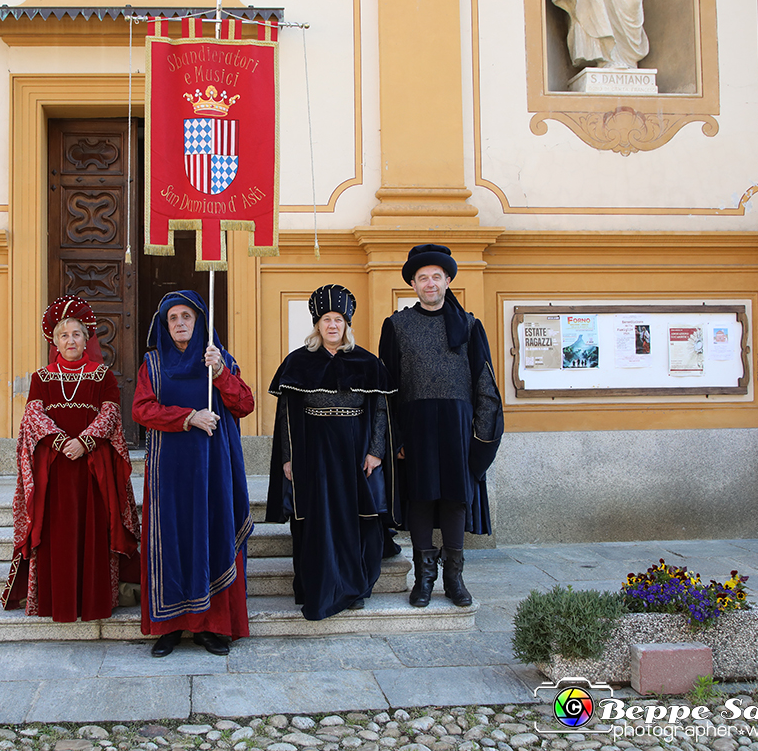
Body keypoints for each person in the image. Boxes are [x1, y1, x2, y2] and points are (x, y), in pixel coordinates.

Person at [378, 245, 504, 608]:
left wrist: (479, 437)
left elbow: (485, 384)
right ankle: (424, 577)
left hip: (457, 429)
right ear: (413, 285)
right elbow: (387, 387)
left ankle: (454, 577)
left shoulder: (469, 325)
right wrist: (395, 437)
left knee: (454, 500)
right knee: (420, 498)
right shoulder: (396, 326)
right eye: (422, 279)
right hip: (415, 426)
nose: (429, 284)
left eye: (436, 277)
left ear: (448, 281)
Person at [1, 295, 140, 621]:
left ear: (86, 338)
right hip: (55, 469)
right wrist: (63, 441)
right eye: (64, 335)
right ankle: (56, 601)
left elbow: (110, 413)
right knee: (57, 536)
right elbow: (33, 415)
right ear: (55, 341)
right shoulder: (41, 378)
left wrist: (86, 442)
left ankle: (92, 601)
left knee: (94, 533)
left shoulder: (102, 375)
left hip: (93, 471)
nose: (71, 340)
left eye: (76, 334)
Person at [132, 290, 254, 657]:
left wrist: (219, 374)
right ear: (165, 326)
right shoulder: (152, 364)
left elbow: (245, 404)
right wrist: (188, 418)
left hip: (215, 466)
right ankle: (169, 627)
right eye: (173, 318)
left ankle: (211, 627)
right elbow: (141, 410)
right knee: (172, 542)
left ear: (199, 321)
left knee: (213, 536)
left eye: (187, 316)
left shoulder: (218, 359)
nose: (180, 323)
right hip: (170, 471)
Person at [265, 285, 396, 620]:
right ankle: (316, 585)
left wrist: (376, 451)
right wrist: (288, 457)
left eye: (338, 319)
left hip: (354, 452)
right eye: (326, 320)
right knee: (316, 520)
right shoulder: (298, 362)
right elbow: (286, 417)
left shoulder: (367, 362)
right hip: (314, 453)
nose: (332, 325)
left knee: (356, 519)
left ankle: (354, 587)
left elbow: (380, 410)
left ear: (346, 324)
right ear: (317, 325)